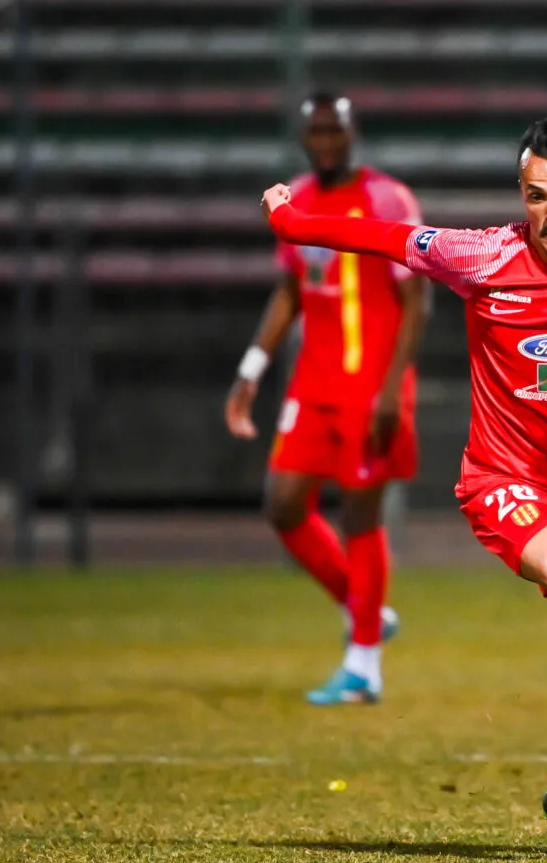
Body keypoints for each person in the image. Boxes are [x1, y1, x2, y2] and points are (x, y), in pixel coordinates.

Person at [259, 115, 547, 857]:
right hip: (507, 477)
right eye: (537, 196)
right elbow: (388, 240)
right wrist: (292, 223)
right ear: (521, 194)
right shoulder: (485, 256)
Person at [225, 92, 428, 706]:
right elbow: (292, 288)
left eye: (334, 130)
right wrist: (252, 368)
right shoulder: (295, 198)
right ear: (304, 138)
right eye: (315, 131)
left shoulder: (387, 199)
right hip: (313, 381)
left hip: (370, 381)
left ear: (352, 133)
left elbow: (416, 298)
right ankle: (365, 611)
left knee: (360, 515)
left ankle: (363, 666)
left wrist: (393, 386)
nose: (326, 142)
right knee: (284, 505)